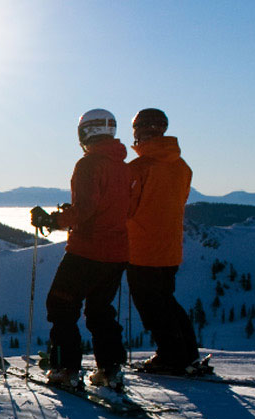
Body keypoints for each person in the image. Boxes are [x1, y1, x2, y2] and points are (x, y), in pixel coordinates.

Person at [30, 108, 130, 390]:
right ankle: (110, 370)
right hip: (117, 252)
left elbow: (85, 210)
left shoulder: (89, 164)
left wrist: (53, 220)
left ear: (85, 132)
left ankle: (66, 368)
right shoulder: (123, 166)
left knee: (61, 305)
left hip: (88, 249)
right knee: (100, 310)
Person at [126, 107, 204, 375]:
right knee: (167, 301)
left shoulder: (138, 168)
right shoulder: (181, 167)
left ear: (139, 131)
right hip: (170, 248)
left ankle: (171, 356)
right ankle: (187, 354)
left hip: (141, 248)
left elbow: (127, 208)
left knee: (151, 306)